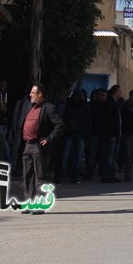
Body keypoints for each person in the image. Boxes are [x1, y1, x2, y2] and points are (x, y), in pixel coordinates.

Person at [19, 84, 64, 212]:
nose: (30, 95)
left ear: (40, 95)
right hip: (27, 145)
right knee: (27, 176)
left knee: (40, 176)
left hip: (39, 147)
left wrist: (48, 139)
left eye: (33, 93)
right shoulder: (30, 107)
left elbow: (60, 125)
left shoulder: (49, 108)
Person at [62, 89, 90, 184]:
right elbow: (64, 118)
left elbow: (87, 122)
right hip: (70, 133)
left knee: (78, 156)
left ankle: (75, 176)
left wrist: (87, 136)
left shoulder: (84, 106)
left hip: (80, 133)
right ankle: (61, 176)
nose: (79, 98)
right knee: (66, 155)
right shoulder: (69, 105)